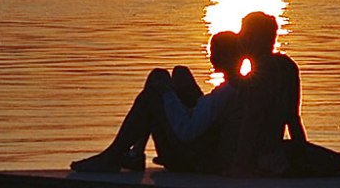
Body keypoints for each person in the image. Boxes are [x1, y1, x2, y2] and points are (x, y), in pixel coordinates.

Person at [70, 31, 245, 173]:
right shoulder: (237, 86)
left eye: (214, 53)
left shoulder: (226, 93)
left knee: (155, 88)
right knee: (178, 73)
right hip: (200, 141)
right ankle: (135, 154)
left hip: (189, 156)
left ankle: (114, 156)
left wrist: (167, 95)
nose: (211, 57)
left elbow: (186, 131)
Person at [218, 11, 306, 175]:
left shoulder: (263, 70)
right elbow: (293, 118)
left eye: (243, 34)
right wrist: (301, 154)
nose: (239, 39)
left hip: (255, 157)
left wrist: (239, 166)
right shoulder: (287, 66)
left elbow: (253, 118)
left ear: (254, 38)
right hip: (272, 153)